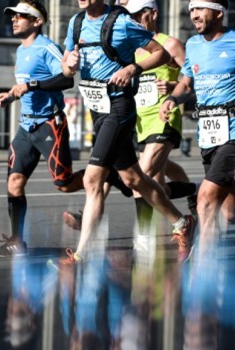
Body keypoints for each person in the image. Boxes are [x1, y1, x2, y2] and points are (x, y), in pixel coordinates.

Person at [60, 0, 195, 263]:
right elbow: (66, 67)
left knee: (92, 179)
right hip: (96, 109)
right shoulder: (76, 23)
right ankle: (182, 223)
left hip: (119, 107)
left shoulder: (121, 23)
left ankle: (81, 254)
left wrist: (133, 68)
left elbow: (161, 53)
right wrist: (70, 64)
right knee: (134, 179)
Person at [159, 0, 235, 257]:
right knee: (232, 214)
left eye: (200, 9)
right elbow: (186, 84)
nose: (193, 14)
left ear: (218, 13)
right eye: (192, 9)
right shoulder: (192, 45)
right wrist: (173, 98)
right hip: (208, 138)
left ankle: (203, 275)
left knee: (205, 201)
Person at [0, 0, 82, 257]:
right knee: (14, 182)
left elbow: (65, 78)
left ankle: (107, 175)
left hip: (49, 124)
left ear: (37, 21)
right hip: (25, 127)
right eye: (13, 16)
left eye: (21, 16)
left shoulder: (46, 47)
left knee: (64, 184)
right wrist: (10, 95)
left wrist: (32, 86)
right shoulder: (20, 50)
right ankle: (17, 241)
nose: (14, 19)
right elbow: (26, 86)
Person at [125, 0, 199, 234]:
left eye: (138, 15)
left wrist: (173, 86)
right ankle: (191, 190)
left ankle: (144, 238)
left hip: (164, 117)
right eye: (130, 16)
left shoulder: (171, 44)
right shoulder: (131, 48)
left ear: (153, 13)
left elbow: (197, 81)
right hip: (140, 121)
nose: (134, 20)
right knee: (158, 184)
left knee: (141, 178)